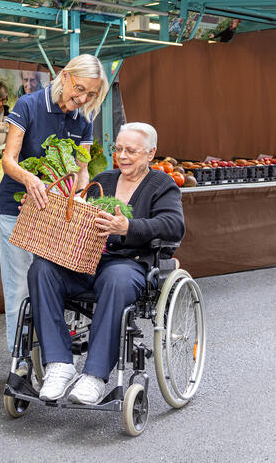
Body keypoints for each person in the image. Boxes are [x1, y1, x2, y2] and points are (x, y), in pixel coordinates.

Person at [29, 122, 185, 404]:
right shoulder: (104, 179)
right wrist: (44, 210)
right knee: (42, 269)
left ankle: (94, 376)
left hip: (128, 263)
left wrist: (129, 227)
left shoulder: (163, 185)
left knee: (116, 280)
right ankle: (59, 364)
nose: (122, 156)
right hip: (87, 260)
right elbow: (79, 216)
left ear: (150, 153)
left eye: (131, 151)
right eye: (119, 149)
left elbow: (173, 225)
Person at [0, 54, 108, 355]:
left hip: (58, 213)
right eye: (80, 89)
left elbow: (81, 169)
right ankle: (20, 359)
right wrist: (29, 178)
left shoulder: (84, 119)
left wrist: (80, 195)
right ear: (66, 76)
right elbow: (8, 160)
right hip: (18, 208)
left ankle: (52, 355)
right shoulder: (28, 105)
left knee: (52, 283)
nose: (82, 98)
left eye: (91, 94)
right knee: (20, 287)